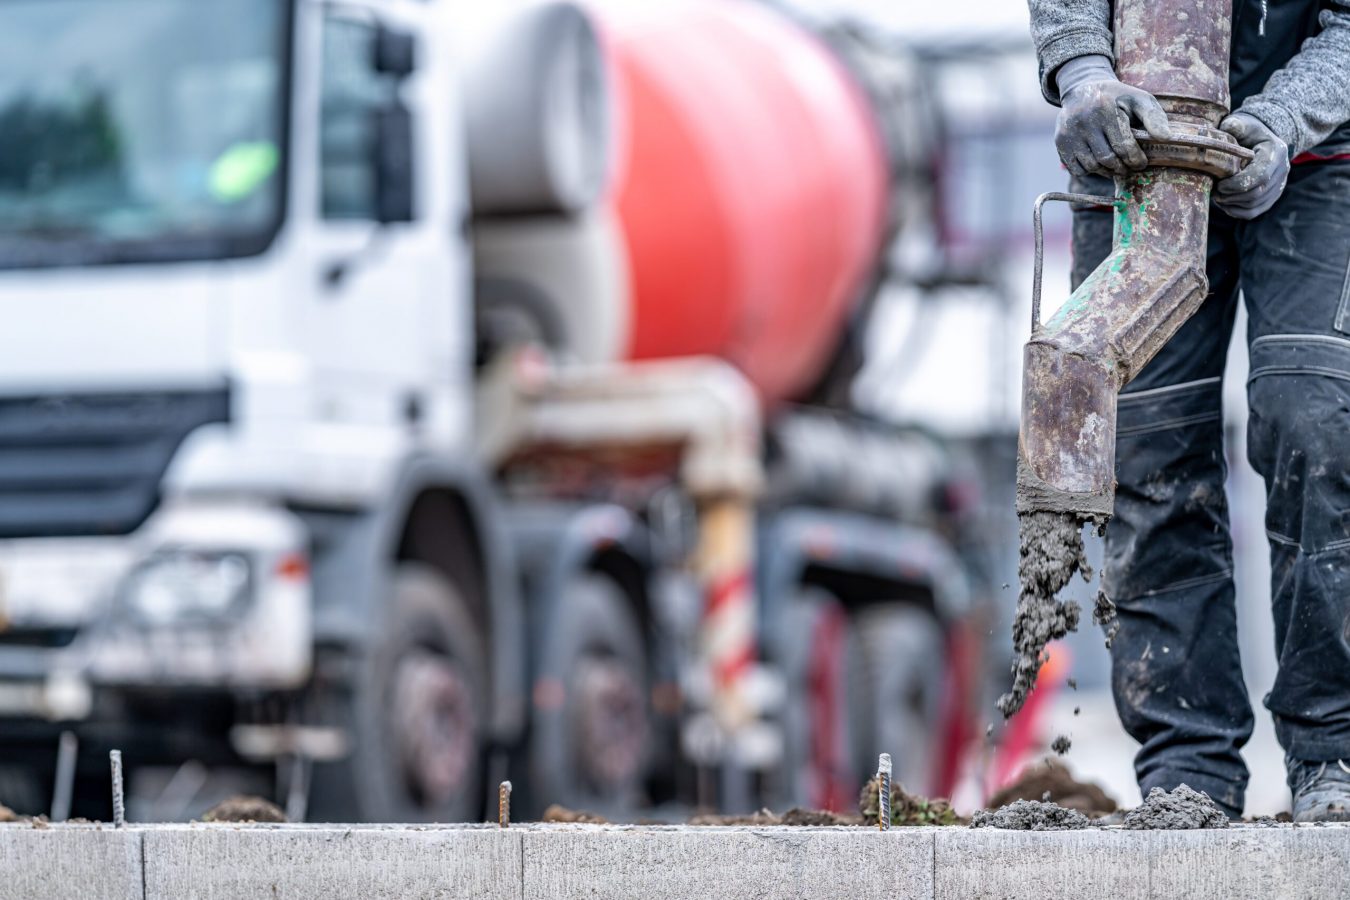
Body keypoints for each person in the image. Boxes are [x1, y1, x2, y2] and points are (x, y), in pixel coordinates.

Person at [1026, 0, 1350, 821]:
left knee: (1314, 419)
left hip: (1322, 154)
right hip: (1132, 147)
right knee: (1150, 445)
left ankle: (1334, 750)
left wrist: (1284, 118)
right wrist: (1083, 72)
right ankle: (1188, 770)